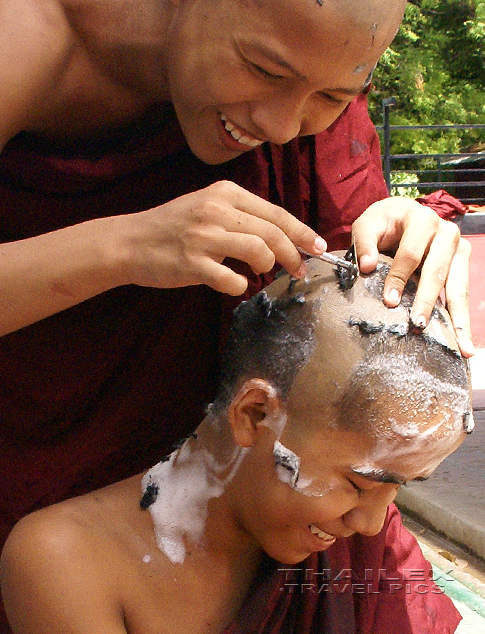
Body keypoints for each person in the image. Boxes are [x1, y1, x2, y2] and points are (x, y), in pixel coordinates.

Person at [0, 0, 473, 628]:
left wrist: (399, 233)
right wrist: (124, 247)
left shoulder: (304, 56)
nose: (283, 124)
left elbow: (339, 302)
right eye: (264, 70)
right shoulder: (21, 33)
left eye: (330, 97)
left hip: (225, 510)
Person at [0, 255, 472, 634]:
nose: (372, 526)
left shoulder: (360, 549)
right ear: (256, 415)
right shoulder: (68, 561)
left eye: (401, 489)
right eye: (357, 484)